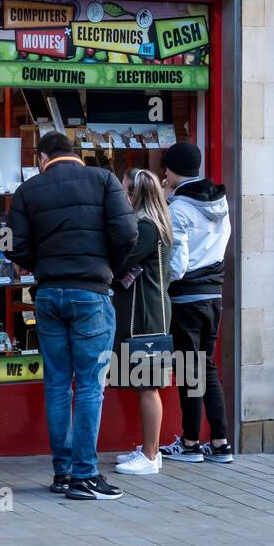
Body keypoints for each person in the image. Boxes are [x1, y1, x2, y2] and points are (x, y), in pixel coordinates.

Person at [8, 132, 137, 500]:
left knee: (57, 384)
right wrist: (109, 265)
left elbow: (12, 243)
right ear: (74, 153)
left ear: (43, 156)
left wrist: (41, 265)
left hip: (48, 294)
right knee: (90, 386)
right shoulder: (104, 180)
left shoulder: (30, 189)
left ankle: (63, 472)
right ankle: (84, 474)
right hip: (91, 293)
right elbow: (127, 231)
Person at [158, 141, 233, 463]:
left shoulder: (180, 209)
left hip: (187, 298)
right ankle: (219, 443)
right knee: (207, 368)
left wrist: (162, 283)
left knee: (189, 371)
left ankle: (190, 443)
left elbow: (178, 263)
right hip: (213, 295)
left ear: (173, 170)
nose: (163, 173)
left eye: (166, 168)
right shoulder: (220, 201)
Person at [108, 168, 172, 476]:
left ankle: (150, 455)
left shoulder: (146, 228)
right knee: (142, 384)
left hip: (145, 317)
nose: (121, 196)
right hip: (141, 313)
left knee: (147, 386)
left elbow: (120, 264)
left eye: (124, 191)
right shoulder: (150, 225)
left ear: (135, 195)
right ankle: (149, 449)